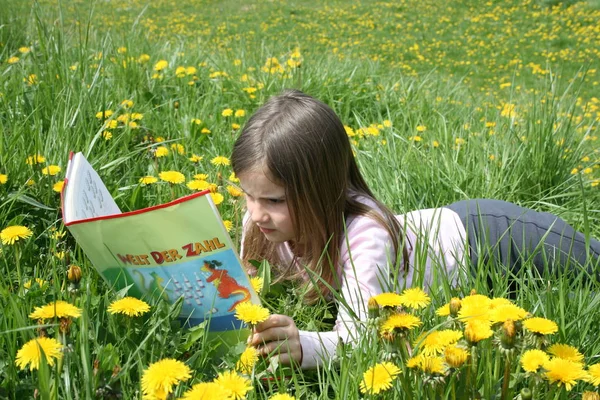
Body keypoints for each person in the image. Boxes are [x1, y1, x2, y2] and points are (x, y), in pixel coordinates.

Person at [231, 89, 600, 369]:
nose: (256, 213)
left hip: (492, 238)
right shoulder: (261, 224)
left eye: (274, 201)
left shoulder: (365, 234)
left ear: (323, 191)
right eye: (248, 195)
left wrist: (304, 346)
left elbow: (364, 338)